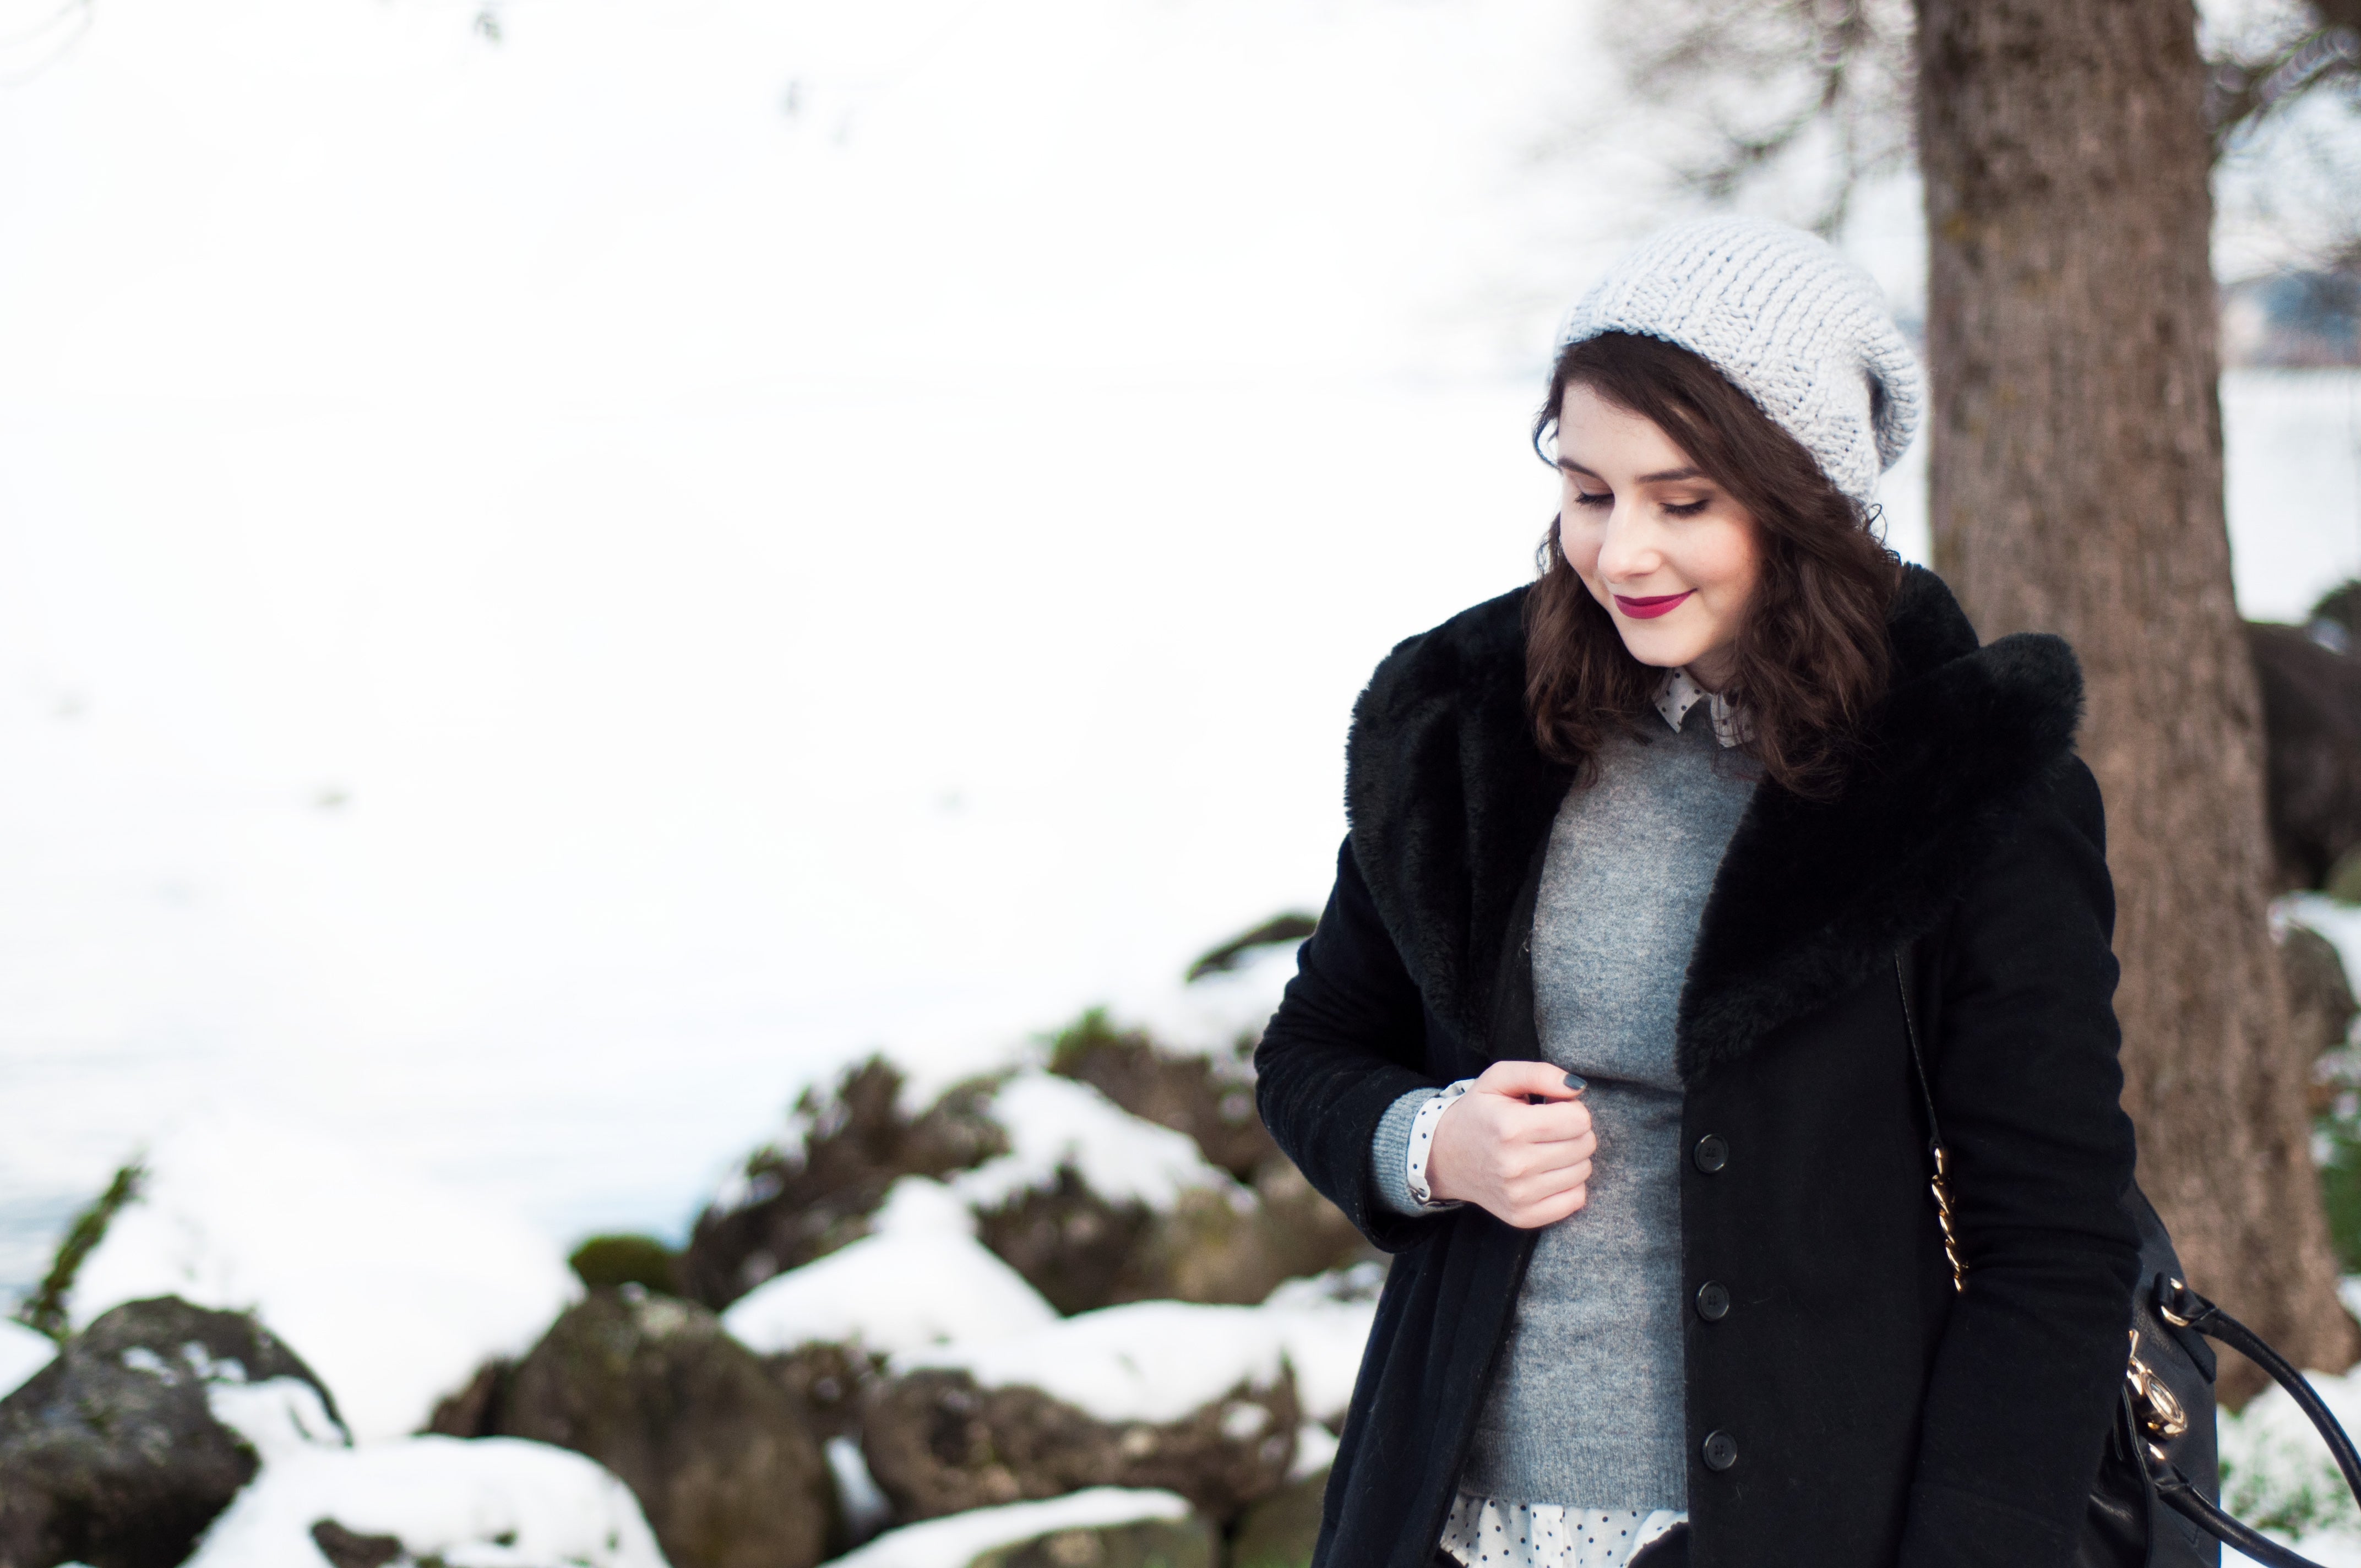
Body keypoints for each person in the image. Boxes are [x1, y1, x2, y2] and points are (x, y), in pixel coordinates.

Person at [1252, 215, 2141, 1568]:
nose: (1621, 555)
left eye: (1684, 501)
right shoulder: (1462, 726)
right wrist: (1431, 1142)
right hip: (1445, 1518)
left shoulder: (1966, 782)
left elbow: (2054, 1247)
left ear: (1804, 501)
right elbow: (1315, 1046)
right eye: (1589, 490)